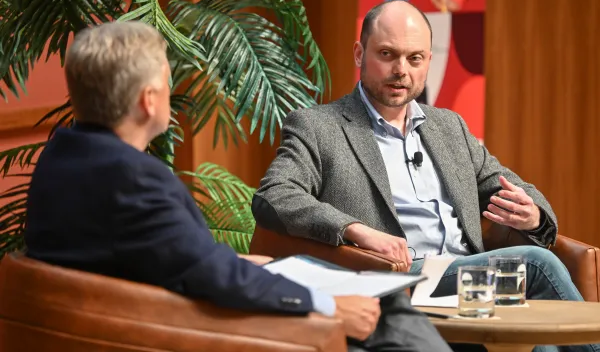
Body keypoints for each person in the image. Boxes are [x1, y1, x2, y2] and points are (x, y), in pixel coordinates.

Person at [24, 21, 451, 352]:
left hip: (125, 323)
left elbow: (154, 256)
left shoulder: (60, 158)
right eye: (168, 81)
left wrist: (239, 263)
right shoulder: (136, 180)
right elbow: (213, 280)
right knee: (389, 308)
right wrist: (328, 305)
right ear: (149, 101)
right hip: (193, 334)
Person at [252, 0, 600, 352]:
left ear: (428, 62)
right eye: (387, 54)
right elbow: (275, 195)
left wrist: (533, 214)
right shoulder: (318, 127)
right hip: (399, 278)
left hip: (467, 277)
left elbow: (510, 185)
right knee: (536, 265)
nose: (401, 70)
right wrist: (355, 229)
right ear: (360, 54)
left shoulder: (449, 127)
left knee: (542, 338)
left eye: (414, 58)